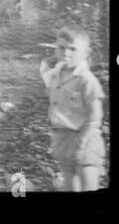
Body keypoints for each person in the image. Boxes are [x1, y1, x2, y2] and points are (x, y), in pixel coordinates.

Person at [40, 27, 105, 191]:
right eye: (61, 48)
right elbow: (52, 96)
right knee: (70, 184)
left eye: (73, 49)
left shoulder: (86, 79)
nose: (66, 53)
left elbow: (95, 114)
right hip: (62, 137)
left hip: (84, 138)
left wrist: (82, 140)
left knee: (87, 183)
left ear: (86, 53)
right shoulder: (55, 74)